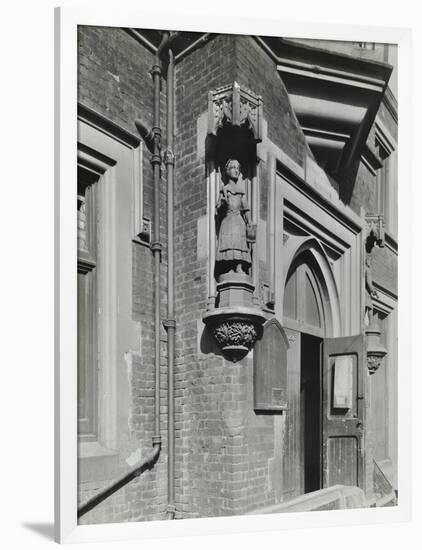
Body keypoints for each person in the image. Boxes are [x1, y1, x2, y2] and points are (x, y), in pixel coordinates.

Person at [215, 159, 254, 276]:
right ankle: (229, 267)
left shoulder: (241, 191)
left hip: (238, 220)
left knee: (239, 243)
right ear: (227, 171)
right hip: (227, 220)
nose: (236, 171)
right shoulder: (224, 189)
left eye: (238, 169)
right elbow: (218, 209)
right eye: (233, 168)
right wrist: (222, 202)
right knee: (229, 243)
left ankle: (239, 267)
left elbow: (246, 208)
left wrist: (250, 222)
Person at [365, 253, 378, 325]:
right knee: (370, 307)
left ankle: (362, 323)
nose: (370, 263)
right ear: (367, 261)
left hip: (362, 292)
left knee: (365, 307)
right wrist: (373, 291)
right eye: (370, 260)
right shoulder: (368, 270)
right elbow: (369, 283)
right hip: (366, 292)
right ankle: (371, 324)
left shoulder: (363, 269)